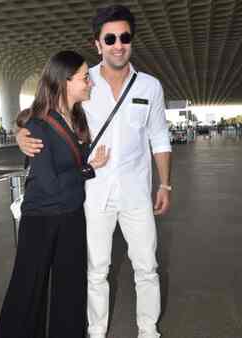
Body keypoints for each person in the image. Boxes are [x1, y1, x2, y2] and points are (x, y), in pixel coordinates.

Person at [16, 5, 172, 338]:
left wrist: (165, 185)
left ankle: (148, 331)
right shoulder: (84, 81)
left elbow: (159, 136)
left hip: (136, 192)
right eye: (110, 38)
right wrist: (20, 133)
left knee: (147, 267)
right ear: (98, 43)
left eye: (125, 37)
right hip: (92, 192)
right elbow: (42, 109)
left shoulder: (150, 87)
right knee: (96, 270)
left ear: (132, 41)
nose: (119, 44)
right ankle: (96, 332)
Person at [0, 50, 109, 338]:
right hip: (42, 218)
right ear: (65, 81)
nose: (90, 83)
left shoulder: (79, 119)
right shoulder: (38, 124)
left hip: (72, 215)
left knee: (71, 288)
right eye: (85, 78)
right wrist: (89, 169)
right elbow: (49, 184)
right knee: (28, 289)